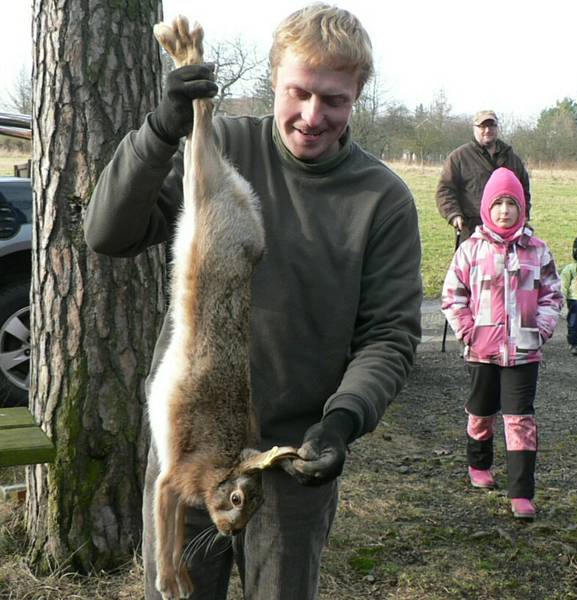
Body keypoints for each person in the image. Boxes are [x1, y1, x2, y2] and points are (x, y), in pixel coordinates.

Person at [83, 4, 422, 599]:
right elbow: (109, 233)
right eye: (300, 92)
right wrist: (162, 130)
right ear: (274, 80)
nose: (314, 116)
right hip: (191, 452)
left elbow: (389, 336)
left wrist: (341, 421)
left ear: (357, 96)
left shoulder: (382, 199)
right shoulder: (222, 144)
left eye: (335, 100)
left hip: (292, 462)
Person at [441, 167, 562, 519]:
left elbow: (552, 296)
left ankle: (521, 491)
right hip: (481, 350)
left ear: (521, 208)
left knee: (519, 419)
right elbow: (453, 296)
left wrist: (540, 329)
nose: (504, 211)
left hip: (524, 352)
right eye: (498, 204)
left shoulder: (537, 251)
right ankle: (479, 464)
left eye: (511, 203)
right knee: (481, 412)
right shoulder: (471, 250)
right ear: (486, 208)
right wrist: (467, 331)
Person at [436, 110, 531, 244]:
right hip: (471, 229)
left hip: (508, 230)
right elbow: (445, 190)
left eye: (491, 125)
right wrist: (454, 214)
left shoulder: (511, 158)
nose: (487, 130)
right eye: (482, 126)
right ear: (474, 128)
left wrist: (524, 214)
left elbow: (524, 189)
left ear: (497, 128)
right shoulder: (459, 157)